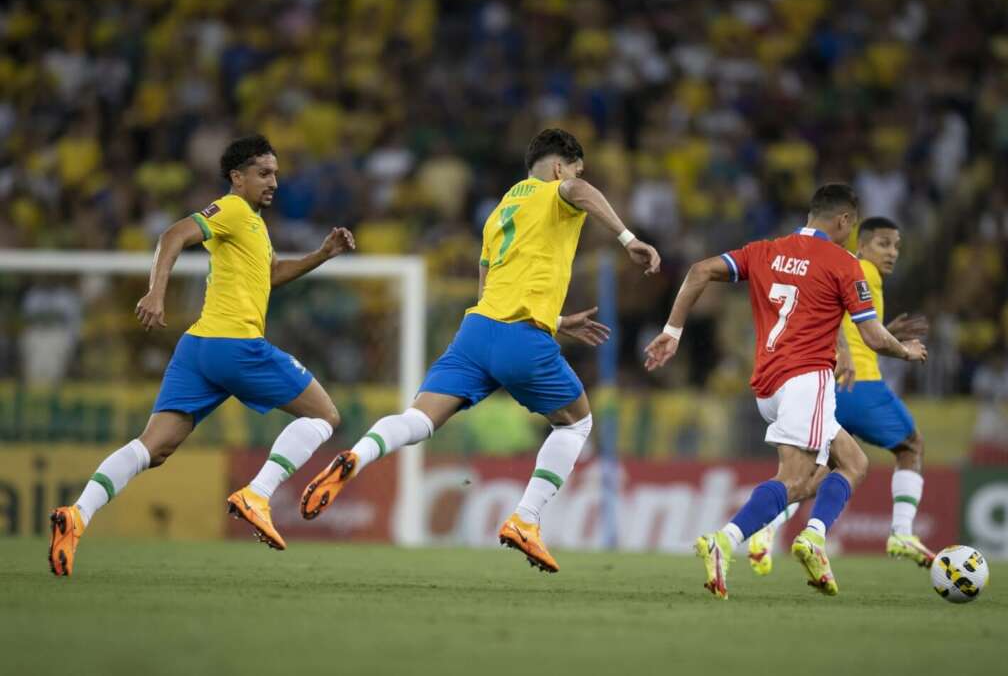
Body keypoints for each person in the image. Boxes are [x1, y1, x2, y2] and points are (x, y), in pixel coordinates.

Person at [299, 128, 660, 573]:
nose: (576, 178)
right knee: (576, 424)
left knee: (419, 418)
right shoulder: (556, 190)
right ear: (558, 166)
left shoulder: (497, 213)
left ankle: (358, 454)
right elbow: (579, 191)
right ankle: (526, 519)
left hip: (476, 330)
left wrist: (558, 321)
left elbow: (488, 284)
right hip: (520, 338)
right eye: (575, 169)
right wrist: (629, 239)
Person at [48, 135, 356, 576]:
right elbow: (173, 234)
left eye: (275, 173)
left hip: (198, 350)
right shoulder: (230, 209)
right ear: (237, 177)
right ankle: (258, 493)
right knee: (325, 416)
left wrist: (323, 254)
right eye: (263, 173)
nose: (273, 182)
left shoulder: (252, 223)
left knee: (153, 447)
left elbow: (268, 276)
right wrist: (156, 292)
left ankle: (76, 515)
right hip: (236, 346)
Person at [644, 184, 927, 598]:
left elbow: (699, 270)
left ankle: (813, 536)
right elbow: (873, 338)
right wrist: (905, 350)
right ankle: (725, 541)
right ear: (845, 221)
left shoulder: (765, 250)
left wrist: (672, 331)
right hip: (807, 379)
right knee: (795, 479)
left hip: (768, 383)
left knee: (853, 462)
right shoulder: (843, 262)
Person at [746, 216, 935, 575]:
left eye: (896, 246)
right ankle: (902, 533)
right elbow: (823, 313)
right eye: (883, 244)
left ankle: (767, 530)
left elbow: (842, 319)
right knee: (911, 445)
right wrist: (847, 348)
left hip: (826, 389)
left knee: (817, 474)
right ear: (860, 245)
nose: (892, 253)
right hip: (860, 386)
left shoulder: (849, 268)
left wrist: (884, 331)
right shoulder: (857, 268)